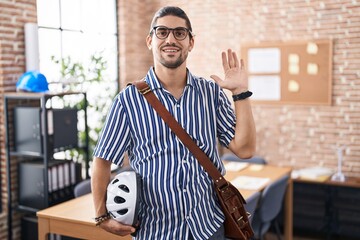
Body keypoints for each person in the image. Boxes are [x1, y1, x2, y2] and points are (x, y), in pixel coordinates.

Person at [91, 6, 256, 240]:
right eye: (162, 32)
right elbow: (102, 160)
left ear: (191, 42)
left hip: (208, 227)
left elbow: (245, 149)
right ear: (150, 40)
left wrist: (240, 93)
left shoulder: (211, 93)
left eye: (180, 33)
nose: (171, 39)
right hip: (156, 231)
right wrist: (101, 216)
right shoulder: (127, 101)